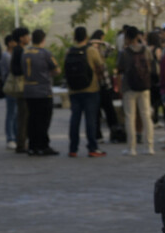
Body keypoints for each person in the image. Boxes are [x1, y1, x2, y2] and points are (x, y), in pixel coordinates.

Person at [66, 26, 107, 158]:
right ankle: (92, 148)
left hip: (73, 90)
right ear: (86, 37)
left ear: (74, 37)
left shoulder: (69, 51)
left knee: (75, 119)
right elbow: (100, 66)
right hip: (91, 89)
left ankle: (73, 149)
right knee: (91, 119)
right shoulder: (91, 50)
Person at [118, 27, 154, 156]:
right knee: (146, 115)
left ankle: (131, 148)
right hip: (144, 86)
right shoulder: (146, 50)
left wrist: (119, 87)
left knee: (130, 116)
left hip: (129, 87)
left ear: (127, 37)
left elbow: (120, 70)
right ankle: (149, 146)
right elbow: (151, 66)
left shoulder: (124, 52)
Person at [23, 29, 58, 156]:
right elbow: (57, 70)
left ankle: (32, 146)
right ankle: (43, 145)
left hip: (28, 90)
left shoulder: (25, 53)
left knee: (32, 119)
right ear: (43, 39)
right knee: (44, 119)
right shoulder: (45, 53)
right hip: (43, 91)